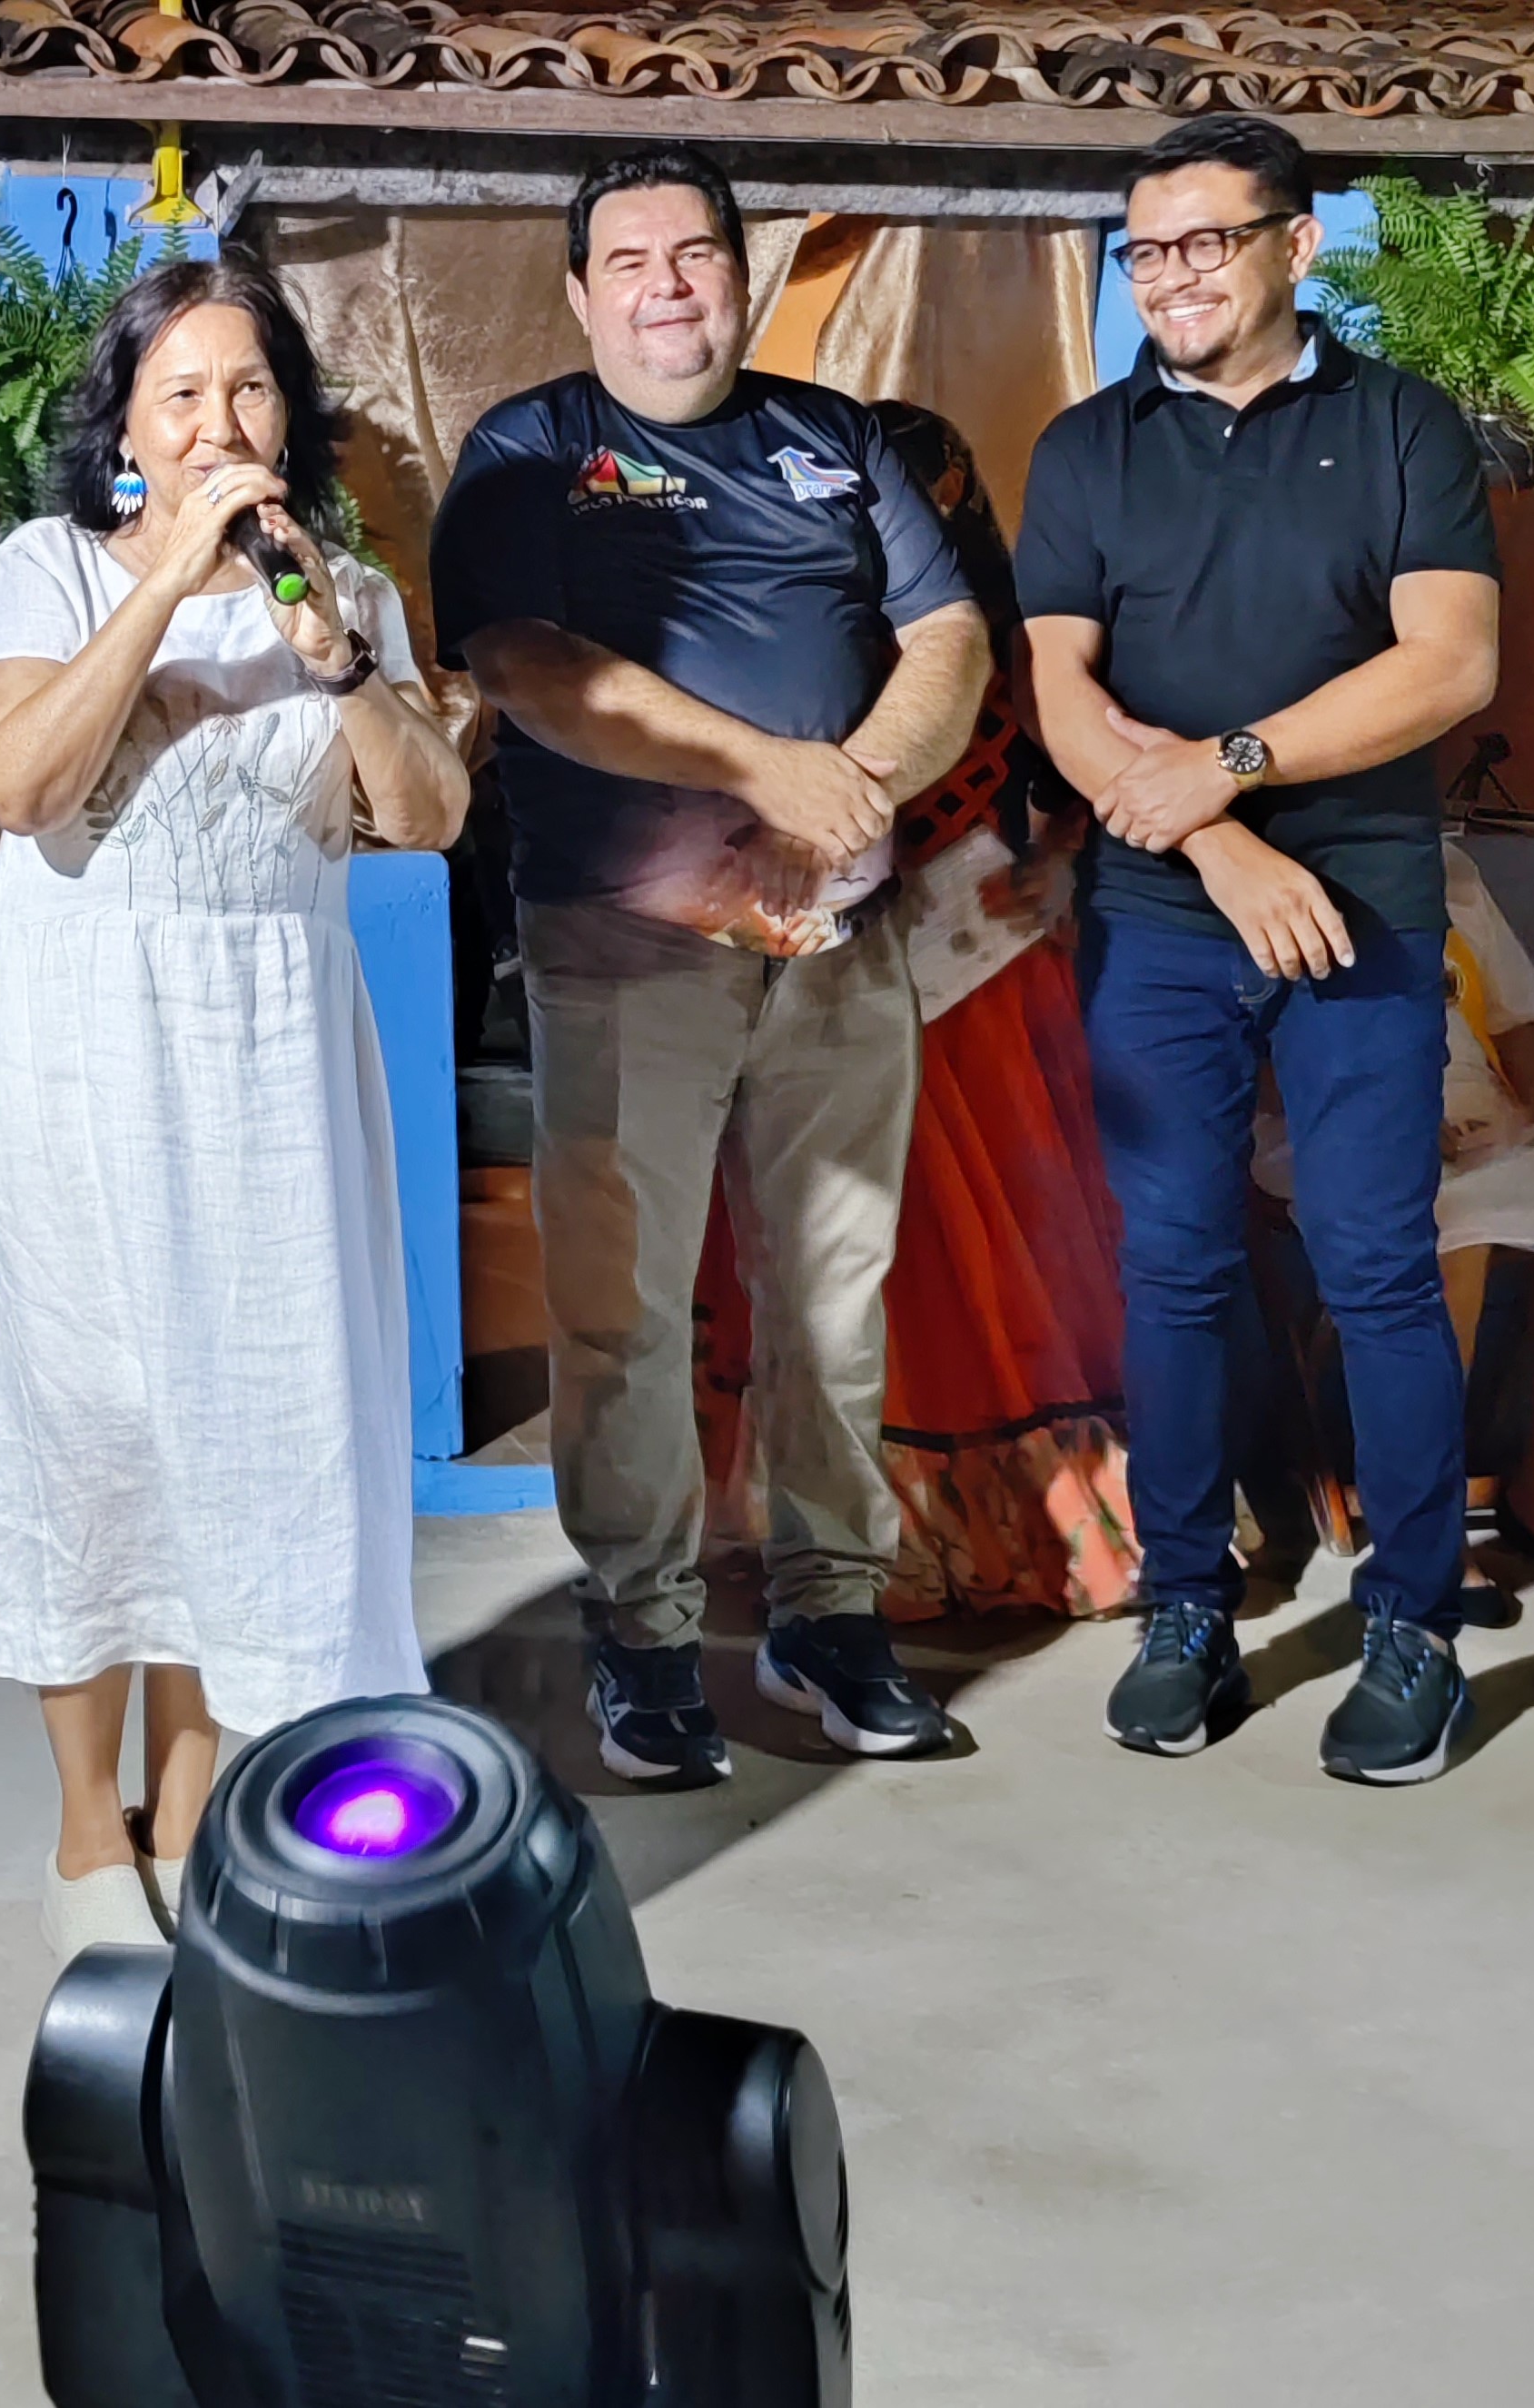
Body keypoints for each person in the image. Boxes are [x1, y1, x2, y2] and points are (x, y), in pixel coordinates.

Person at [428, 146, 992, 1781]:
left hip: (839, 947)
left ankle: (829, 1615)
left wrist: (848, 792)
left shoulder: (835, 438)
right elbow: (524, 666)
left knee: (833, 1296)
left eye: (694, 254)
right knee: (619, 1315)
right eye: (628, 259)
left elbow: (947, 636)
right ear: (577, 293)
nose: (665, 285)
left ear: (739, 275)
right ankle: (644, 1634)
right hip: (627, 952)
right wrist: (764, 773)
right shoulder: (528, 449)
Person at [0, 258, 469, 1958]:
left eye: (247, 389)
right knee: (88, 1424)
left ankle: (195, 1801)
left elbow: (428, 818)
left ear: (287, 419)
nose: (217, 423)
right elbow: (21, 787)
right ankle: (85, 1835)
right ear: (126, 428)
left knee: (246, 1433)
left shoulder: (344, 590)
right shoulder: (47, 568)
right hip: (74, 1043)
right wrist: (165, 576)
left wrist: (340, 663)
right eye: (180, 394)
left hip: (270, 1056)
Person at [1017, 114, 1503, 1782]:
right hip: (1161, 914)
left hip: (1358, 900)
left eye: (1202, 242)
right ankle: (1184, 1608)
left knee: (1374, 1264)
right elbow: (1061, 693)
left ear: (1293, 247)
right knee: (1171, 1267)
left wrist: (1232, 765)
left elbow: (1448, 664)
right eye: (1143, 250)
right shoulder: (1086, 449)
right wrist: (1216, 842)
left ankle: (1413, 1626)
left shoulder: (1398, 426)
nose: (1168, 277)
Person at [690, 403, 1140, 1621]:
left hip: (983, 990)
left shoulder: (1012, 637)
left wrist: (1062, 863)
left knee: (980, 1258)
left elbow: (1094, 778)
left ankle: (1010, 1531)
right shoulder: (795, 625)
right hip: (829, 965)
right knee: (836, 1242)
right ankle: (838, 1535)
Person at [1254, 839, 1534, 1604]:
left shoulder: (1448, 871)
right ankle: (1428, 1521)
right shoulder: (1264, 872)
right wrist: (1396, 1118)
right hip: (1340, 1125)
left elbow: (1518, 1030)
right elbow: (1259, 1066)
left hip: (1485, 1123)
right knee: (1453, 1242)